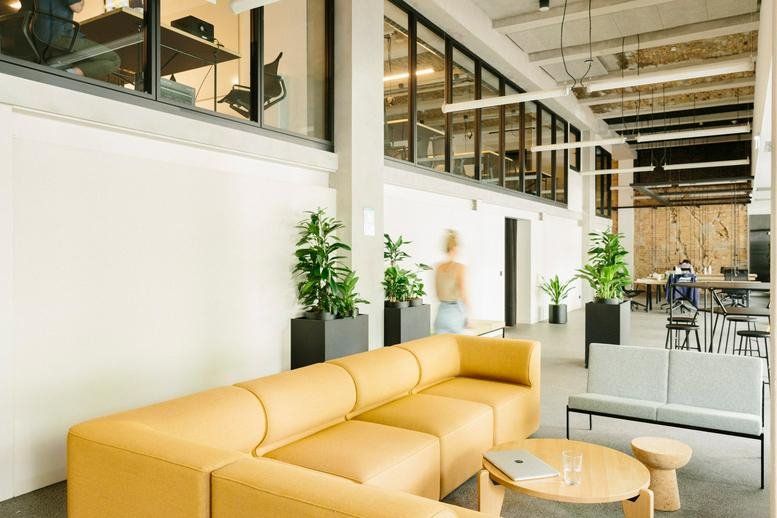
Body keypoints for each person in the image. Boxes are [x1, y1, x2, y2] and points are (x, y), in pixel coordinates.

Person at [24, 0, 121, 81]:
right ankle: (67, 74)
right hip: (60, 35)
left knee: (80, 60)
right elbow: (77, 7)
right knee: (113, 59)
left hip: (38, 36)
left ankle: (58, 69)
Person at [434, 230, 471, 334]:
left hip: (441, 313)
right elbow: (464, 293)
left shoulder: (438, 268)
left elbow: (437, 292)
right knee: (463, 346)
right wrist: (469, 316)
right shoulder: (460, 268)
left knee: (441, 347)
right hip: (455, 313)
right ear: (455, 248)